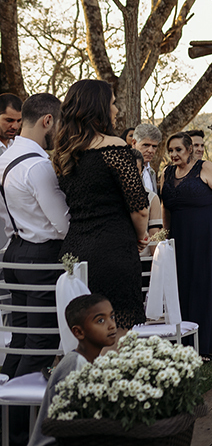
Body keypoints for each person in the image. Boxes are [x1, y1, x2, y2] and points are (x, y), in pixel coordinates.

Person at [54, 80, 149, 336]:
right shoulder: (114, 147)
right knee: (115, 333)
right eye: (113, 103)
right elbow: (139, 207)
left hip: (74, 253)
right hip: (112, 250)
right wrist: (140, 237)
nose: (116, 110)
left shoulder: (64, 151)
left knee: (84, 336)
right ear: (99, 108)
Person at [0, 94, 70, 379]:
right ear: (48, 121)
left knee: (20, 341)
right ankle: (22, 423)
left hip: (15, 252)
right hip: (40, 257)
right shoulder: (38, 166)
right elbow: (62, 223)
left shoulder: (6, 157)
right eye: (61, 124)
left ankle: (7, 417)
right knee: (41, 343)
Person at [161, 132, 212, 357]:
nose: (174, 154)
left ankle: (207, 345)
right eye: (170, 150)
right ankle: (183, 344)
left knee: (204, 286)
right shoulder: (166, 173)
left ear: (189, 149)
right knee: (182, 287)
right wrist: (166, 236)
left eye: (178, 150)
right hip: (180, 238)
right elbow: (165, 207)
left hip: (207, 236)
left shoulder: (205, 168)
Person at [27, 294, 117, 446]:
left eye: (112, 316)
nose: (111, 325)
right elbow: (71, 427)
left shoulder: (97, 361)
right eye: (100, 320)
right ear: (79, 332)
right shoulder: (74, 365)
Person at [132, 123, 162, 193]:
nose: (150, 151)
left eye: (154, 146)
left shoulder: (152, 172)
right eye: (146, 145)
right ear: (134, 143)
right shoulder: (126, 169)